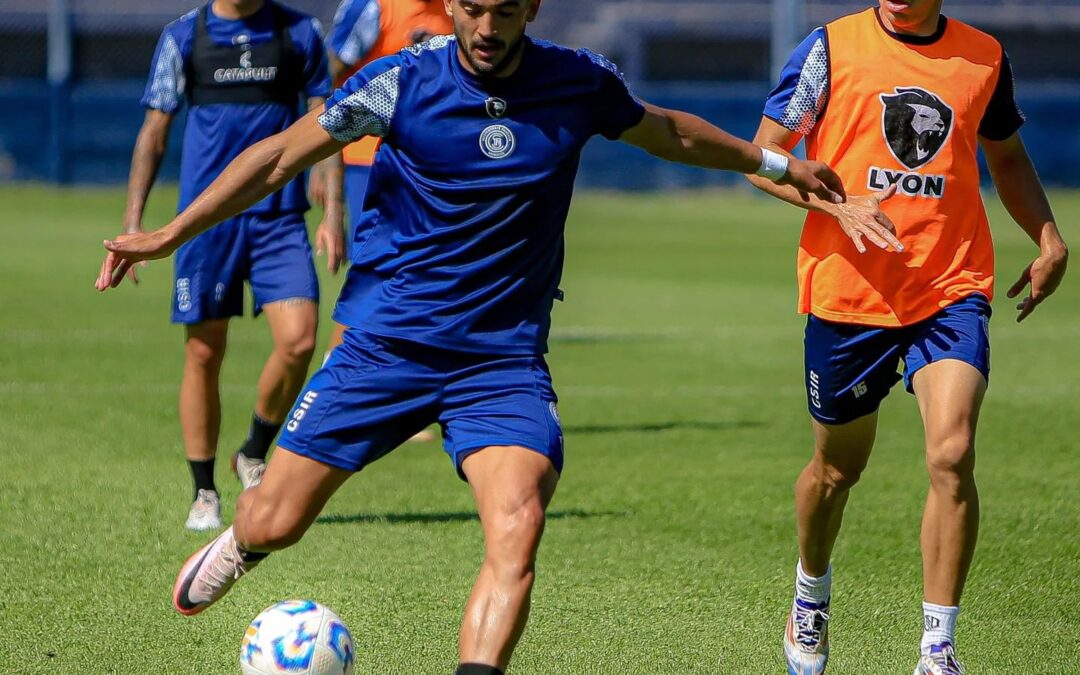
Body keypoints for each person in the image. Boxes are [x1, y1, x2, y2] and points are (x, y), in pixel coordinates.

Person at [96, 0, 844, 672]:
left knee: (519, 522)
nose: (489, 29)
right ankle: (242, 541)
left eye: (507, 11)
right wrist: (169, 231)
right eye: (476, 9)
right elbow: (281, 156)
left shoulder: (578, 82)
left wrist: (777, 162)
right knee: (275, 517)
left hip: (502, 361)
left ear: (533, 9)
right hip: (385, 344)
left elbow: (670, 131)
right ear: (451, 4)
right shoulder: (398, 83)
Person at [746, 2, 1069, 673]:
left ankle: (938, 650)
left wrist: (1047, 236)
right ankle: (811, 590)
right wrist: (837, 205)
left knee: (952, 453)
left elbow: (1006, 158)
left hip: (950, 288)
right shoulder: (829, 49)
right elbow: (762, 156)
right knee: (837, 470)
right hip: (849, 293)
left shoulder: (983, 56)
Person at [122, 0, 345, 531]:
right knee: (204, 351)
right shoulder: (183, 36)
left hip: (279, 216)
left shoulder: (299, 32)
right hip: (206, 223)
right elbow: (154, 131)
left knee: (298, 340)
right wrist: (135, 222)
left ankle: (252, 451)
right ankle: (203, 491)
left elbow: (331, 118)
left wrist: (333, 211)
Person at [313, 0, 455, 442]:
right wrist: (322, 162)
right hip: (367, 160)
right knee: (378, 273)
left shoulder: (463, 11)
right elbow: (326, 77)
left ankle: (410, 398)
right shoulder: (375, 8)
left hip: (433, 164)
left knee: (428, 276)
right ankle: (329, 388)